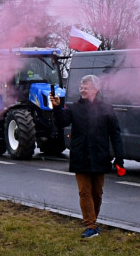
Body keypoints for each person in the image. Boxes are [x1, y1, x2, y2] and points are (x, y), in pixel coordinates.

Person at [50, 74, 124, 239]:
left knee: (97, 193)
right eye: (81, 87)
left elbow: (115, 134)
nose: (83, 90)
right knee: (85, 192)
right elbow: (62, 122)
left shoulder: (106, 109)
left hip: (100, 156)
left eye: (86, 87)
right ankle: (90, 225)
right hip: (80, 156)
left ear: (95, 90)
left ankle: (93, 222)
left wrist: (119, 158)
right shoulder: (74, 108)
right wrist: (56, 107)